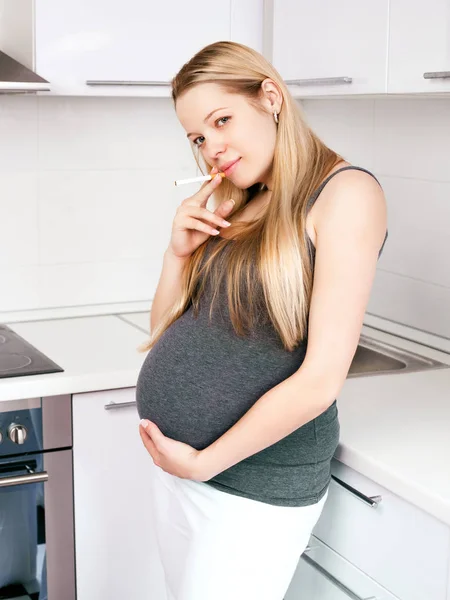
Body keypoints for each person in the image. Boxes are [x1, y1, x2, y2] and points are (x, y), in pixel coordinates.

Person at [135, 41, 388, 600]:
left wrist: (204, 463)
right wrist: (177, 254)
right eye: (198, 138)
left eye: (221, 120)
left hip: (251, 483)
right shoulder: (242, 197)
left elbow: (321, 379)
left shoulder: (345, 193)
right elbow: (164, 334)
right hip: (183, 470)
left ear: (269, 96)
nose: (211, 149)